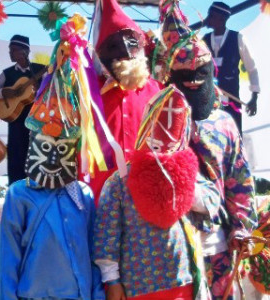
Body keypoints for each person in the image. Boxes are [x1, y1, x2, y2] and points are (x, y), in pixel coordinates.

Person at [158, 1, 259, 298]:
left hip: (217, 247)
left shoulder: (225, 124)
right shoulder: (156, 121)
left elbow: (238, 178)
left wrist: (241, 227)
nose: (192, 79)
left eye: (200, 71)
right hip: (170, 248)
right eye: (183, 74)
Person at [0, 14, 104, 300]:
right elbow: (9, 262)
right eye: (47, 145)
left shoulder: (82, 194)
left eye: (63, 146)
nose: (55, 154)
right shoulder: (18, 195)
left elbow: (93, 253)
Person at [94, 82, 217, 299]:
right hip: (138, 287)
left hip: (183, 282)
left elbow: (212, 202)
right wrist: (112, 280)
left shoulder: (188, 173)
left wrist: (185, 187)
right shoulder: (119, 182)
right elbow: (107, 234)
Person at [88, 0, 164, 202]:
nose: (126, 52)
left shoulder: (159, 91)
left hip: (145, 199)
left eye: (131, 42)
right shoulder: (88, 91)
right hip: (99, 199)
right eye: (114, 46)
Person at [0, 35, 46, 185]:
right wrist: (3, 93)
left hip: (37, 124)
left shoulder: (40, 70)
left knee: (36, 157)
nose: (10, 53)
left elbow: (52, 93)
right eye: (10, 50)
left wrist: (41, 91)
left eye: (13, 50)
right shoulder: (7, 73)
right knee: (16, 159)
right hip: (16, 124)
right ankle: (15, 191)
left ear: (25, 52)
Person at [204, 1, 260, 133]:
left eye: (211, 15)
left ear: (222, 18)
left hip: (231, 99)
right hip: (209, 101)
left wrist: (254, 97)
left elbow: (252, 69)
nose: (208, 18)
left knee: (233, 136)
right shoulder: (204, 40)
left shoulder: (237, 38)